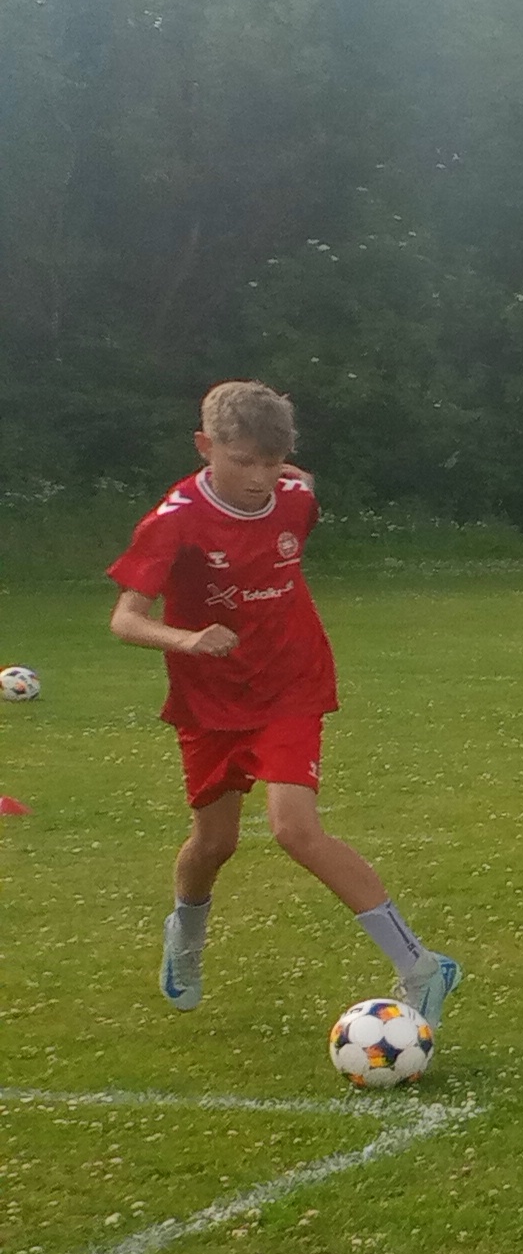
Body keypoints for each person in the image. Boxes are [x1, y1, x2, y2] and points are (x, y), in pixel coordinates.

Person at [107, 380, 458, 1024]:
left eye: (272, 463)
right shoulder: (175, 520)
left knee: (295, 829)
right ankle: (185, 935)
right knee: (213, 844)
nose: (259, 478)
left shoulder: (294, 499)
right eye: (243, 461)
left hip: (291, 684)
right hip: (209, 700)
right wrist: (188, 639)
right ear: (204, 446)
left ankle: (422, 967)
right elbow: (125, 620)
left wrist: (297, 480)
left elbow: (301, 494)